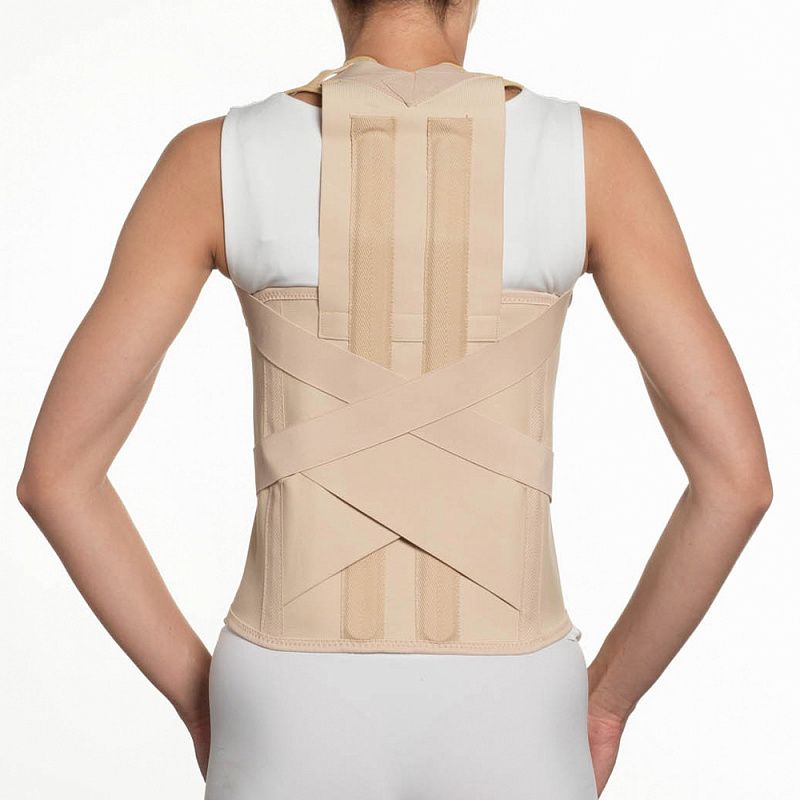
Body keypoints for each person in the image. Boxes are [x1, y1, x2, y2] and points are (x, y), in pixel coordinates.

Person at [16, 1, 772, 798]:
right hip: (515, 698)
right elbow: (736, 485)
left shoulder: (216, 160)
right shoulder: (592, 157)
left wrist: (205, 708)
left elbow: (57, 479)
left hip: (286, 696)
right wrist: (607, 705)